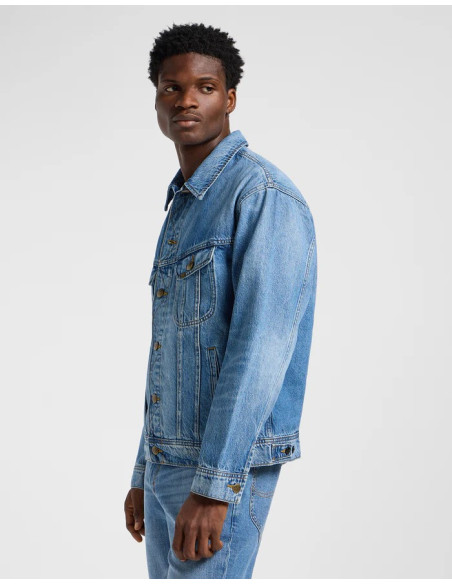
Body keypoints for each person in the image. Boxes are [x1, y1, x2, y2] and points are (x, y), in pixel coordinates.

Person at [123, 22, 318, 579]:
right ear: (157, 99)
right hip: (169, 463)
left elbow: (259, 351)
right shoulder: (185, 205)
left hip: (220, 472)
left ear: (229, 99)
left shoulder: (262, 195)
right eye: (171, 87)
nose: (186, 100)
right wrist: (143, 470)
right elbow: (170, 354)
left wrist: (214, 487)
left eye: (205, 88)